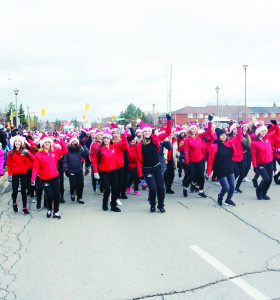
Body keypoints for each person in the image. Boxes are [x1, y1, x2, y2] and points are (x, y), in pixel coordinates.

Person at [134, 114, 172, 213]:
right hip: (147, 170)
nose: (147, 132)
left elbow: (167, 132)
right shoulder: (139, 145)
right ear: (142, 133)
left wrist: (169, 120)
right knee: (153, 189)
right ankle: (152, 204)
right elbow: (138, 160)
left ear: (151, 131)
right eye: (145, 131)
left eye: (148, 131)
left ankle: (161, 205)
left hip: (157, 167)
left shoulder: (156, 139)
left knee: (161, 188)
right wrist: (140, 174)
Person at [92, 126, 128, 212]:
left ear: (110, 139)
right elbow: (94, 161)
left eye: (108, 138)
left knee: (115, 189)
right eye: (104, 138)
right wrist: (95, 172)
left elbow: (124, 143)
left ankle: (113, 206)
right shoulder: (99, 149)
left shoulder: (114, 146)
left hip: (113, 171)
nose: (106, 140)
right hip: (103, 171)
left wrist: (122, 133)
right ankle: (104, 203)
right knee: (107, 189)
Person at [31, 136, 68, 219]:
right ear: (42, 144)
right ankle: (49, 208)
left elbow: (65, 150)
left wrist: (61, 141)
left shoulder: (55, 151)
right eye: (45, 142)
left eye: (48, 142)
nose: (47, 144)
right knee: (49, 196)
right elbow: (35, 167)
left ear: (51, 144)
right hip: (45, 178)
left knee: (56, 195)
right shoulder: (38, 154)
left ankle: (56, 211)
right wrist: (33, 179)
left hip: (55, 176)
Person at [183, 115, 214, 198]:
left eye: (195, 129)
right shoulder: (187, 140)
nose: (194, 130)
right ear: (189, 130)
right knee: (191, 177)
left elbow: (207, 132)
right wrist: (186, 163)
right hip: (191, 162)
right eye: (192, 129)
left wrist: (210, 121)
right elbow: (186, 151)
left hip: (200, 160)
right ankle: (185, 187)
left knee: (201, 176)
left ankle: (201, 191)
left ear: (197, 130)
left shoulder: (199, 137)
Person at [206, 128, 236, 206]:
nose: (224, 136)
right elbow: (210, 160)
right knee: (226, 187)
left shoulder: (229, 144)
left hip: (229, 168)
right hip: (220, 169)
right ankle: (220, 196)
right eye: (222, 135)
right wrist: (208, 171)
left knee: (232, 186)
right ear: (218, 136)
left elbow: (234, 153)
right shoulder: (214, 146)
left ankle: (228, 200)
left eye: (225, 135)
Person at [251, 120, 279, 200]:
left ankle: (264, 193)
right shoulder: (254, 142)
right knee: (265, 178)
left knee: (269, 180)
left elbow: (277, 133)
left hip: (269, 162)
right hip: (260, 164)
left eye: (264, 131)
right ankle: (259, 190)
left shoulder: (268, 138)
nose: (263, 132)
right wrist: (255, 166)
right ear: (259, 132)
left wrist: (275, 124)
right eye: (262, 131)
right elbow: (253, 155)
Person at [6, 136, 34, 214]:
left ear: (21, 143)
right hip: (15, 173)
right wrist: (9, 174)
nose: (17, 143)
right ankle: (14, 203)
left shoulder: (24, 152)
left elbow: (33, 159)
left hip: (23, 173)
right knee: (15, 191)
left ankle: (24, 208)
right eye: (16, 141)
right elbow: (8, 164)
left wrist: (28, 154)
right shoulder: (10, 152)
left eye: (19, 141)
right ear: (14, 143)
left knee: (23, 191)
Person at [64, 137, 88, 204]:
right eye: (72, 142)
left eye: (75, 142)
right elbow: (65, 161)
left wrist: (84, 146)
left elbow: (86, 155)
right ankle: (72, 193)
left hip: (79, 169)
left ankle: (80, 198)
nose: (74, 143)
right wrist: (66, 169)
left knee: (80, 185)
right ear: (70, 143)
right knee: (73, 185)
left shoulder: (80, 149)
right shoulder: (67, 150)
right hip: (71, 170)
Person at [227, 123, 244, 193]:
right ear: (231, 131)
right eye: (234, 129)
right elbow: (238, 138)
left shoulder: (239, 137)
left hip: (240, 157)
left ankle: (237, 187)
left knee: (242, 174)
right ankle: (230, 185)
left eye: (236, 129)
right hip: (233, 158)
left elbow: (240, 137)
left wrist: (239, 128)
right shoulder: (230, 139)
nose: (236, 130)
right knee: (236, 173)